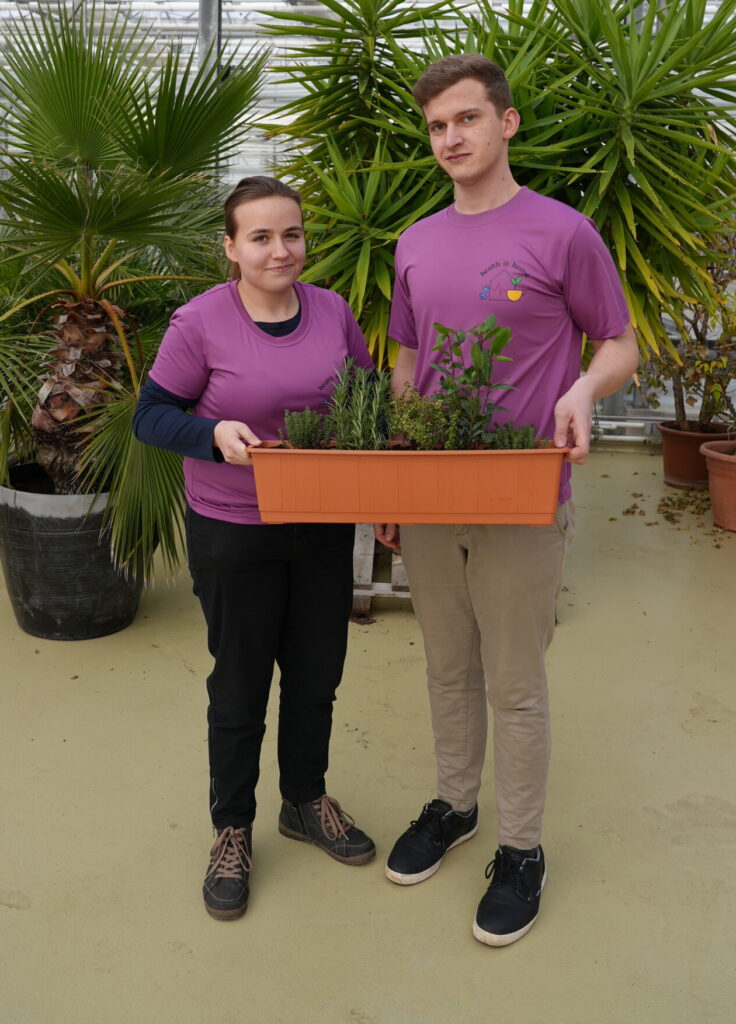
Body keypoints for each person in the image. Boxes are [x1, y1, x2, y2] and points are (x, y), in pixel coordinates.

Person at [375, 55, 640, 947]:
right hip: (430, 494)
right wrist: (392, 476)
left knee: (516, 684)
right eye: (438, 127)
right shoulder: (413, 240)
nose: (451, 138)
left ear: (506, 124)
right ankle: (455, 805)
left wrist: (581, 392)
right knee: (447, 665)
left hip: (526, 492)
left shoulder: (563, 234)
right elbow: (407, 368)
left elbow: (619, 344)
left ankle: (521, 849)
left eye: (466, 120)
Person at [133, 175, 376, 921]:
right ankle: (231, 827)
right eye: (262, 237)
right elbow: (150, 415)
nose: (281, 249)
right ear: (231, 247)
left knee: (315, 677)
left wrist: (385, 500)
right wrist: (211, 433)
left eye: (292, 234)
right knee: (239, 686)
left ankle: (304, 800)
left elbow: (366, 407)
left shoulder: (334, 313)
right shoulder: (201, 322)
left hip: (324, 528)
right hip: (234, 530)